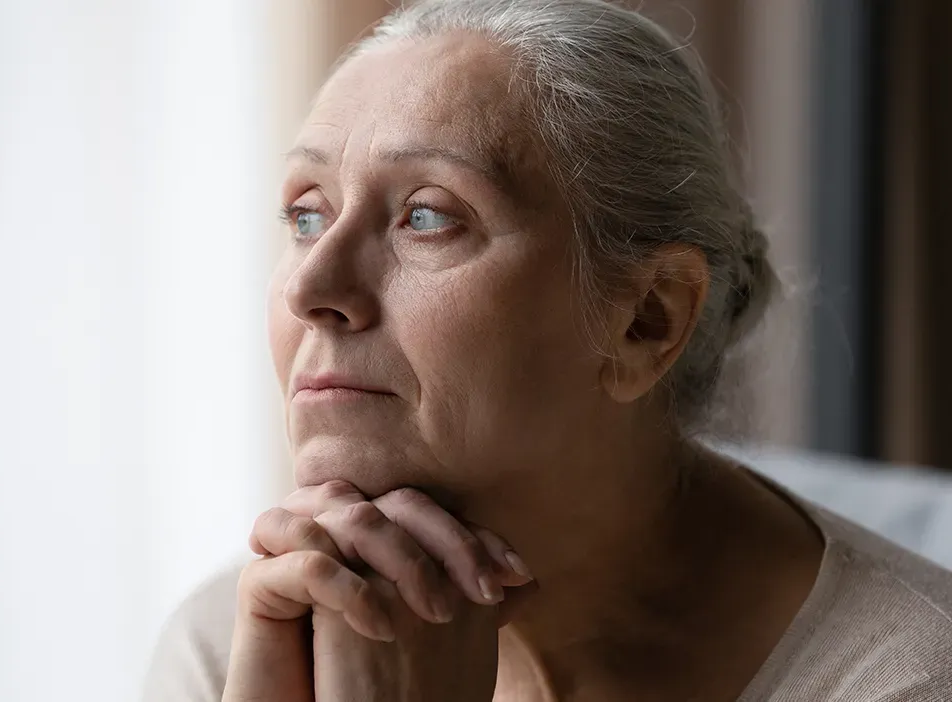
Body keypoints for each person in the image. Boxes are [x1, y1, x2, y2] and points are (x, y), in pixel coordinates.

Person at [145, 0, 952, 699]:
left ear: (647, 320)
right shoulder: (245, 642)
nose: (309, 287)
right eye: (307, 215)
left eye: (427, 215)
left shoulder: (910, 681)